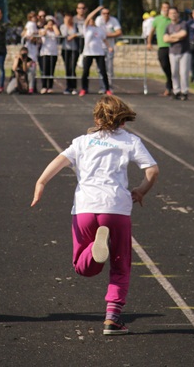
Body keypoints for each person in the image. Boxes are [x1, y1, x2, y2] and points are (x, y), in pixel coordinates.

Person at [31, 94, 159, 335]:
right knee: (121, 264)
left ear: (96, 118)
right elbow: (152, 170)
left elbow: (57, 162)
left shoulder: (82, 142)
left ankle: (93, 252)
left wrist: (41, 183)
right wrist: (141, 191)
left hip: (86, 208)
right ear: (123, 120)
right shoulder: (130, 141)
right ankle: (112, 317)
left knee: (83, 266)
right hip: (117, 208)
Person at [80, 6, 112, 97]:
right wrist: (97, 9)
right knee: (85, 72)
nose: (91, 21)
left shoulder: (99, 29)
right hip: (88, 53)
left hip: (99, 53)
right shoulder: (86, 29)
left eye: (92, 20)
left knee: (103, 71)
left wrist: (109, 47)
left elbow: (104, 39)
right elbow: (88, 17)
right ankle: (84, 88)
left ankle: (107, 89)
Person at [147, 2, 173, 96]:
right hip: (162, 46)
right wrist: (149, 43)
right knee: (165, 66)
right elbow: (151, 32)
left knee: (173, 67)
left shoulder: (172, 19)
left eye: (167, 7)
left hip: (172, 46)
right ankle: (170, 84)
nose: (166, 9)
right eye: (164, 7)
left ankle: (169, 87)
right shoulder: (157, 19)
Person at [164, 7, 189, 100]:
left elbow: (183, 34)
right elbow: (165, 39)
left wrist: (172, 37)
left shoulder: (183, 24)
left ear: (178, 14)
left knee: (183, 72)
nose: (173, 15)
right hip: (173, 52)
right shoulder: (168, 26)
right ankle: (176, 90)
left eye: (175, 13)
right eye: (171, 13)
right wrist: (176, 37)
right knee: (174, 72)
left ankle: (184, 91)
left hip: (184, 51)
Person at [38, 15, 60, 93]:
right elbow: (42, 34)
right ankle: (44, 86)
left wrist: (54, 27)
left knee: (51, 71)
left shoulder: (54, 31)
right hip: (45, 53)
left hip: (53, 53)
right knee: (44, 70)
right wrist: (46, 28)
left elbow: (58, 34)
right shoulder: (43, 30)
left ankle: (50, 87)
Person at [60, 13, 79, 95]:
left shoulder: (76, 26)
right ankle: (68, 86)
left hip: (74, 49)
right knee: (67, 68)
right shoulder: (63, 26)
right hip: (65, 49)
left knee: (72, 68)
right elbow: (64, 34)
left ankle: (74, 86)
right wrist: (66, 24)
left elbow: (81, 33)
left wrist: (74, 35)